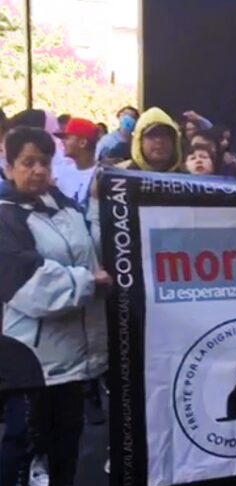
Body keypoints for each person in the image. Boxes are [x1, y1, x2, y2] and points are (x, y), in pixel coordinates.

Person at [0, 127, 109, 486]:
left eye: (45, 161)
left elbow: (91, 252)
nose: (38, 170)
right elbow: (24, 280)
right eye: (27, 162)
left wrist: (99, 206)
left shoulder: (63, 207)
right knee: (23, 441)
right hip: (29, 354)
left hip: (73, 350)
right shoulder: (6, 216)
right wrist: (88, 283)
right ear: (8, 166)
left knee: (68, 437)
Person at [55, 118, 107, 425]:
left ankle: (98, 384)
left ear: (84, 142)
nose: (64, 142)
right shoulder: (60, 173)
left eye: (69, 137)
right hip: (69, 256)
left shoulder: (102, 174)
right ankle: (85, 388)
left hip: (96, 256)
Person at [116, 107, 183, 173]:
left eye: (165, 134)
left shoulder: (189, 179)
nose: (159, 140)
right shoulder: (119, 175)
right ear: (139, 141)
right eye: (152, 134)